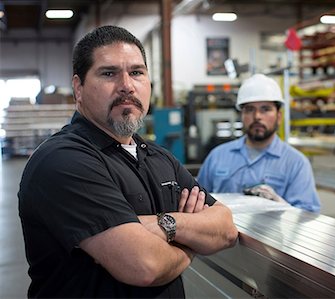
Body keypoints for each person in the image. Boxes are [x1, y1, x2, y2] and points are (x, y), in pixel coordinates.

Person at [18, 25, 238, 298]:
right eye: (109, 73)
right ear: (79, 88)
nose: (126, 86)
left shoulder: (159, 157)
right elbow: (145, 266)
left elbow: (226, 228)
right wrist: (193, 242)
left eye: (136, 72)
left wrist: (164, 225)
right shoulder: (62, 161)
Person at [197, 74, 321, 213]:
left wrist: (281, 205)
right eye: (250, 109)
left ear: (279, 117)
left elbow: (308, 218)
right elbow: (197, 202)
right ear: (242, 116)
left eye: (265, 109)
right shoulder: (218, 156)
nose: (257, 116)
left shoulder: (296, 163)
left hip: (274, 235)